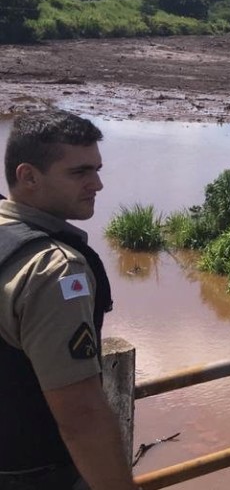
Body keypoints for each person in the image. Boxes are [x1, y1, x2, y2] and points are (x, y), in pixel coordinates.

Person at [0, 110, 136, 490]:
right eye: (79, 173)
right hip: (36, 473)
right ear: (28, 176)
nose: (98, 184)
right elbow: (82, 415)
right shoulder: (53, 270)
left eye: (97, 169)